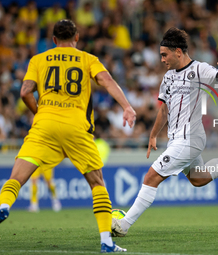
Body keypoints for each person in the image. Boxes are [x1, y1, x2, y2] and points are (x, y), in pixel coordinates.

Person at [111, 27, 218, 237]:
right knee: (198, 179)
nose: (162, 59)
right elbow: (163, 110)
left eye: (165, 54)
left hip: (190, 138)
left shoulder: (200, 69)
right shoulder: (168, 78)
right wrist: (153, 135)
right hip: (178, 140)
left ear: (178, 52)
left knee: (151, 177)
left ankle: (124, 225)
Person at [0, 19, 136, 253]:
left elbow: (24, 92)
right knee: (97, 184)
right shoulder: (87, 59)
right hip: (75, 127)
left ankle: (3, 205)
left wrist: (39, 112)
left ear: (53, 40)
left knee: (17, 177)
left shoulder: (38, 59)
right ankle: (106, 242)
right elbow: (107, 81)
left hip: (44, 126)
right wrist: (126, 106)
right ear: (77, 38)